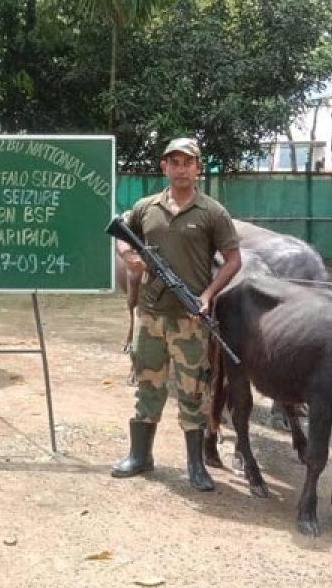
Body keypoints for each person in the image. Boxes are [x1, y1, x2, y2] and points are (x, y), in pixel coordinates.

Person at [112, 137, 241, 491]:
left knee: (193, 392)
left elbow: (234, 261)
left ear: (198, 168)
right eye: (175, 162)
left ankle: (196, 466)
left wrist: (207, 295)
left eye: (189, 162)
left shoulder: (212, 212)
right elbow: (120, 234)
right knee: (148, 386)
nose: (182, 169)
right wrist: (128, 255)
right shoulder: (145, 208)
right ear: (164, 166)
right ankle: (140, 456)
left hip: (190, 319)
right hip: (151, 317)